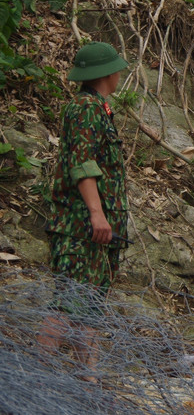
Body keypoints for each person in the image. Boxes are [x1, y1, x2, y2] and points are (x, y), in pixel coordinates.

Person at [40, 42, 130, 381]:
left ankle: (87, 377)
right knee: (67, 303)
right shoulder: (86, 108)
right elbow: (83, 163)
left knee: (90, 306)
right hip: (80, 227)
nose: (119, 74)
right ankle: (38, 375)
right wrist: (96, 213)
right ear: (107, 73)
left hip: (95, 233)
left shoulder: (97, 108)